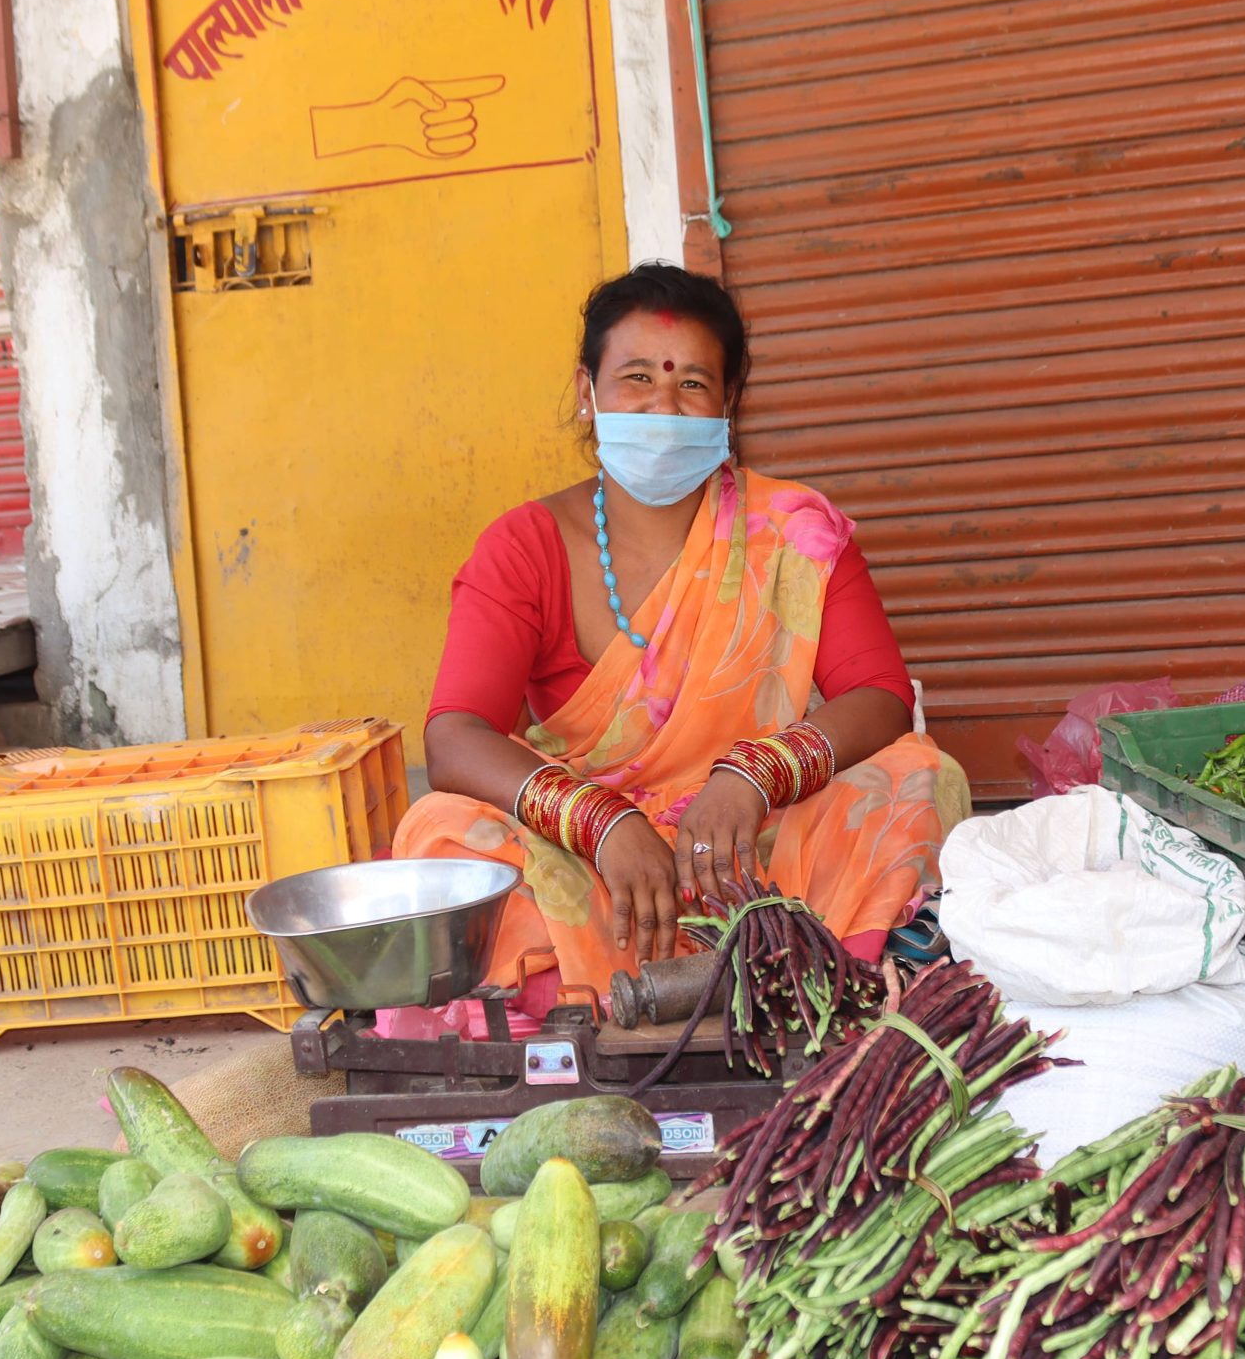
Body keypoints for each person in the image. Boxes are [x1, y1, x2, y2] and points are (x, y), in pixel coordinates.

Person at [383, 264, 970, 1038]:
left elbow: (881, 697)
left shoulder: (795, 532)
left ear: (727, 404)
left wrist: (754, 775)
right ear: (587, 391)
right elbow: (455, 736)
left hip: (754, 856)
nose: (664, 405)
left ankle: (811, 978)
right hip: (594, 868)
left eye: (693, 384)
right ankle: (613, 999)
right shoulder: (522, 546)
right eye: (635, 378)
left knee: (921, 777)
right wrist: (599, 820)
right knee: (438, 829)